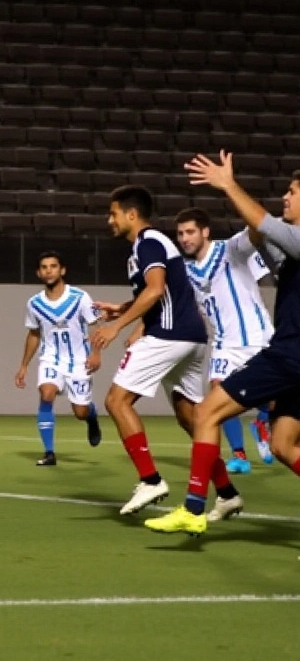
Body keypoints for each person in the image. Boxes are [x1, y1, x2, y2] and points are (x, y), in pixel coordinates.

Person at [147, 154, 300, 537]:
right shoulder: (288, 249)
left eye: (293, 191)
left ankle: (195, 507)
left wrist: (228, 184)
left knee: (207, 412)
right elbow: (270, 238)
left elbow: (261, 229)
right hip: (276, 352)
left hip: (286, 353)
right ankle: (223, 491)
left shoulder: (278, 241)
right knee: (284, 445)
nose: (285, 196)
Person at [89, 186, 240, 516]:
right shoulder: (148, 246)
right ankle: (227, 493)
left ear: (131, 214)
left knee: (117, 400)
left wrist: (117, 327)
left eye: (113, 213)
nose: (109, 219)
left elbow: (156, 290)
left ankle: (151, 479)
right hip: (191, 337)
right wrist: (123, 308)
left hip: (169, 335)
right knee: (193, 419)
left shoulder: (149, 242)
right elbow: (161, 291)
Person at [174, 206, 275, 475]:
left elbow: (256, 231)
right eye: (181, 233)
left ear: (205, 231)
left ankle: (263, 420)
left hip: (258, 336)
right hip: (224, 345)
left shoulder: (232, 249)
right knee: (219, 393)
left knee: (274, 399)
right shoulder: (185, 270)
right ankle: (238, 454)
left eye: (190, 232)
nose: (185, 238)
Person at [14, 251, 104, 466]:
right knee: (46, 393)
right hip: (51, 358)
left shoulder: (80, 297)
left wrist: (96, 354)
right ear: (38, 273)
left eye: (53, 266)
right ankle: (49, 452)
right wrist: (24, 366)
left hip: (79, 361)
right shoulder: (34, 303)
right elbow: (34, 334)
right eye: (44, 267)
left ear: (62, 270)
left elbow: (95, 326)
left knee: (80, 412)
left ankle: (91, 416)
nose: (49, 270)